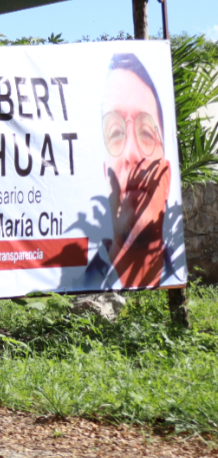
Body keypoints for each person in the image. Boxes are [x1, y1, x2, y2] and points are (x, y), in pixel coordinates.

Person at [90, 53, 174, 288]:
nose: (131, 155)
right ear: (105, 177)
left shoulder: (176, 275)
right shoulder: (75, 283)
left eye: (147, 132)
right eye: (115, 133)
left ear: (167, 179)